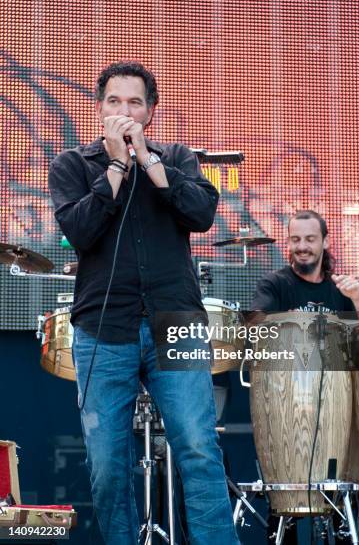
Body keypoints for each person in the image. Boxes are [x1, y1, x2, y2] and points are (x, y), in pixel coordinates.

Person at [48, 60, 239, 545]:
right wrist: (115, 165)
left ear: (150, 112)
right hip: (102, 326)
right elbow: (79, 231)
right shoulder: (72, 164)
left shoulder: (176, 157)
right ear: (99, 109)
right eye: (114, 101)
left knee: (198, 447)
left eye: (135, 102)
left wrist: (149, 162)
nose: (124, 111)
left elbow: (201, 214)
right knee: (108, 464)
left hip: (174, 321)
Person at [250, 209, 359, 544]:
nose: (301, 246)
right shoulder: (275, 283)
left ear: (325, 242)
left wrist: (358, 298)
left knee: (340, 495)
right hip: (287, 399)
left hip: (337, 402)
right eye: (295, 239)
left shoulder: (340, 289)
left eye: (309, 239)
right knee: (287, 504)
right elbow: (254, 325)